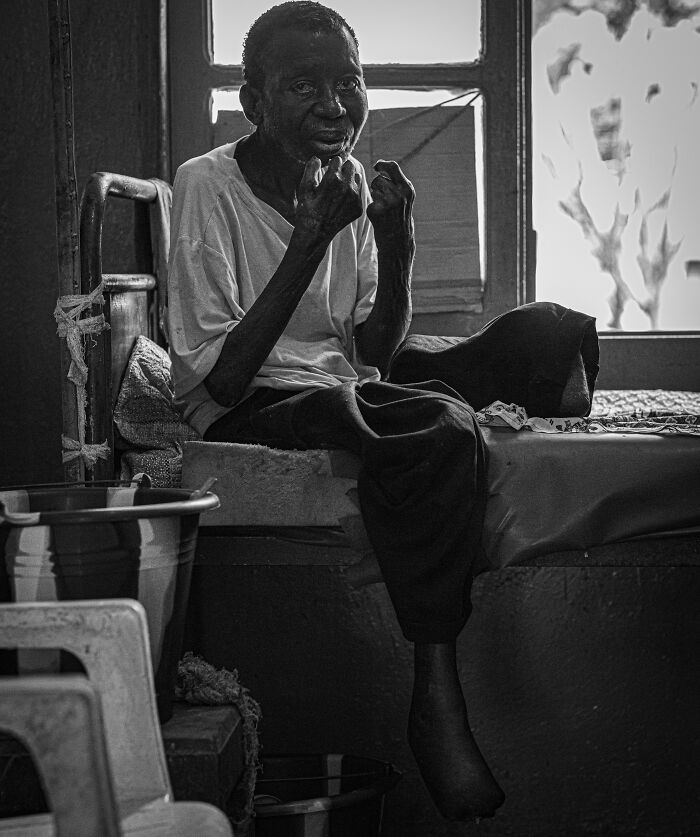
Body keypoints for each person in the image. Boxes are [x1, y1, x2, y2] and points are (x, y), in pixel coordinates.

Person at [167, 1, 597, 821]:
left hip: (338, 381)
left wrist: (395, 243)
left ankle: (530, 372)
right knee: (434, 421)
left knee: (537, 333)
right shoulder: (206, 185)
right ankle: (436, 693)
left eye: (349, 82)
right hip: (251, 400)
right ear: (254, 102)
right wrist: (307, 240)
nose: (336, 105)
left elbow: (370, 347)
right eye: (305, 87)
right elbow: (219, 381)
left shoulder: (347, 182)